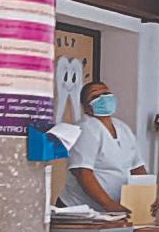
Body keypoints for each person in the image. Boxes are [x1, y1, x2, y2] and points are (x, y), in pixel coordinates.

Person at [59, 81, 149, 213]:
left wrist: (148, 196)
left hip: (111, 210)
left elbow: (137, 168)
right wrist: (108, 204)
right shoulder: (86, 129)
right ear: (86, 107)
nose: (103, 98)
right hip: (80, 210)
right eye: (95, 96)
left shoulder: (123, 129)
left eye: (106, 93)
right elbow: (83, 172)